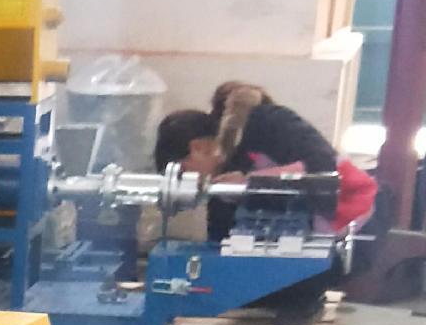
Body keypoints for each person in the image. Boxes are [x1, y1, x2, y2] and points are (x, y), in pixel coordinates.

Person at [153, 84, 375, 236]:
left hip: (357, 216)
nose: (194, 184)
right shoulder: (225, 179)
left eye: (185, 173)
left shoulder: (267, 122)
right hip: (312, 235)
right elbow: (220, 235)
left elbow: (321, 167)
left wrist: (251, 184)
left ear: (197, 148)